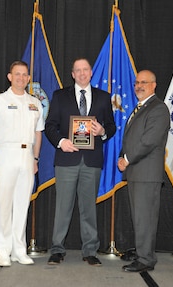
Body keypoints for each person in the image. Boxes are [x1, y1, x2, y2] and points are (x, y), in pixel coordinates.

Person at [44, 58, 116, 266]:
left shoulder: (103, 97)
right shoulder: (59, 96)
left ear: (91, 72)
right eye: (78, 70)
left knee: (88, 207)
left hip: (91, 160)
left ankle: (90, 250)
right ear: (73, 74)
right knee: (62, 207)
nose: (82, 73)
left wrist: (102, 131)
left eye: (85, 70)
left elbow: (111, 126)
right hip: (66, 158)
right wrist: (60, 142)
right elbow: (50, 125)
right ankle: (57, 249)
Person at [0, 61, 44, 267]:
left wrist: (35, 159)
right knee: (3, 205)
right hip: (4, 154)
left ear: (28, 78)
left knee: (22, 205)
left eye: (25, 75)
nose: (21, 78)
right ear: (9, 76)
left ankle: (19, 250)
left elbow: (38, 133)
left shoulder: (35, 103)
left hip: (26, 157)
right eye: (17, 74)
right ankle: (3, 251)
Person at [117, 69, 170, 272]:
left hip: (146, 173)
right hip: (137, 172)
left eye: (144, 82)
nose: (139, 86)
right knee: (140, 216)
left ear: (154, 85)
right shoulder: (141, 107)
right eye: (137, 82)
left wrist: (127, 160)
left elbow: (148, 141)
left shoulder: (158, 108)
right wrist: (123, 157)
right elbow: (131, 138)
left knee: (145, 217)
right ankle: (142, 252)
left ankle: (146, 260)